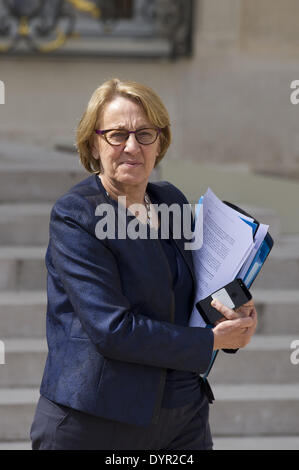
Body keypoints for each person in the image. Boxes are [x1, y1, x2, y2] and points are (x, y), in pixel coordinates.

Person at [30, 78, 257, 450]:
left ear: (160, 142)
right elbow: (112, 329)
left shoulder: (171, 201)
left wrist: (234, 316)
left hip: (183, 415)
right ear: (93, 143)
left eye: (145, 134)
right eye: (117, 135)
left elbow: (194, 295)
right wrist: (209, 341)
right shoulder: (76, 214)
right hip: (97, 421)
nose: (132, 146)